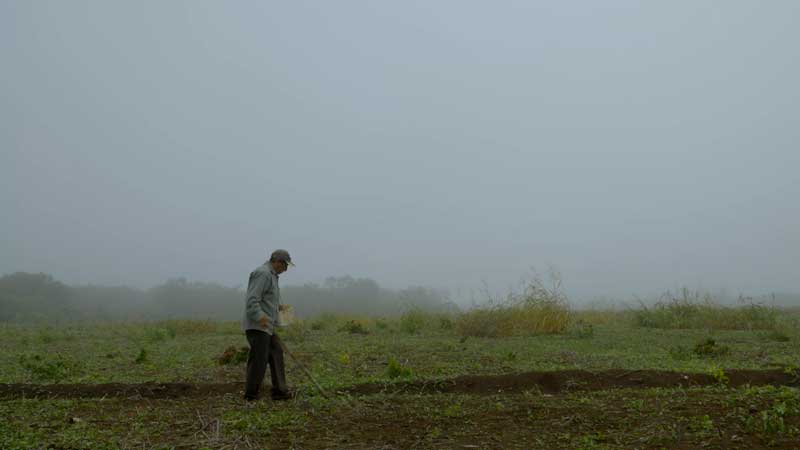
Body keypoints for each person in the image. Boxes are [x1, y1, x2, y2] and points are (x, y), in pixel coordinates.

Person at [241, 249, 294, 401]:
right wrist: (260, 316)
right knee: (259, 359)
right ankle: (250, 395)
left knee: (276, 352)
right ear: (277, 262)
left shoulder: (272, 276)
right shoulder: (263, 273)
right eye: (285, 265)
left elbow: (267, 300)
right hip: (258, 326)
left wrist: (278, 308)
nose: (286, 269)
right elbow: (252, 300)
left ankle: (279, 391)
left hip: (267, 326)